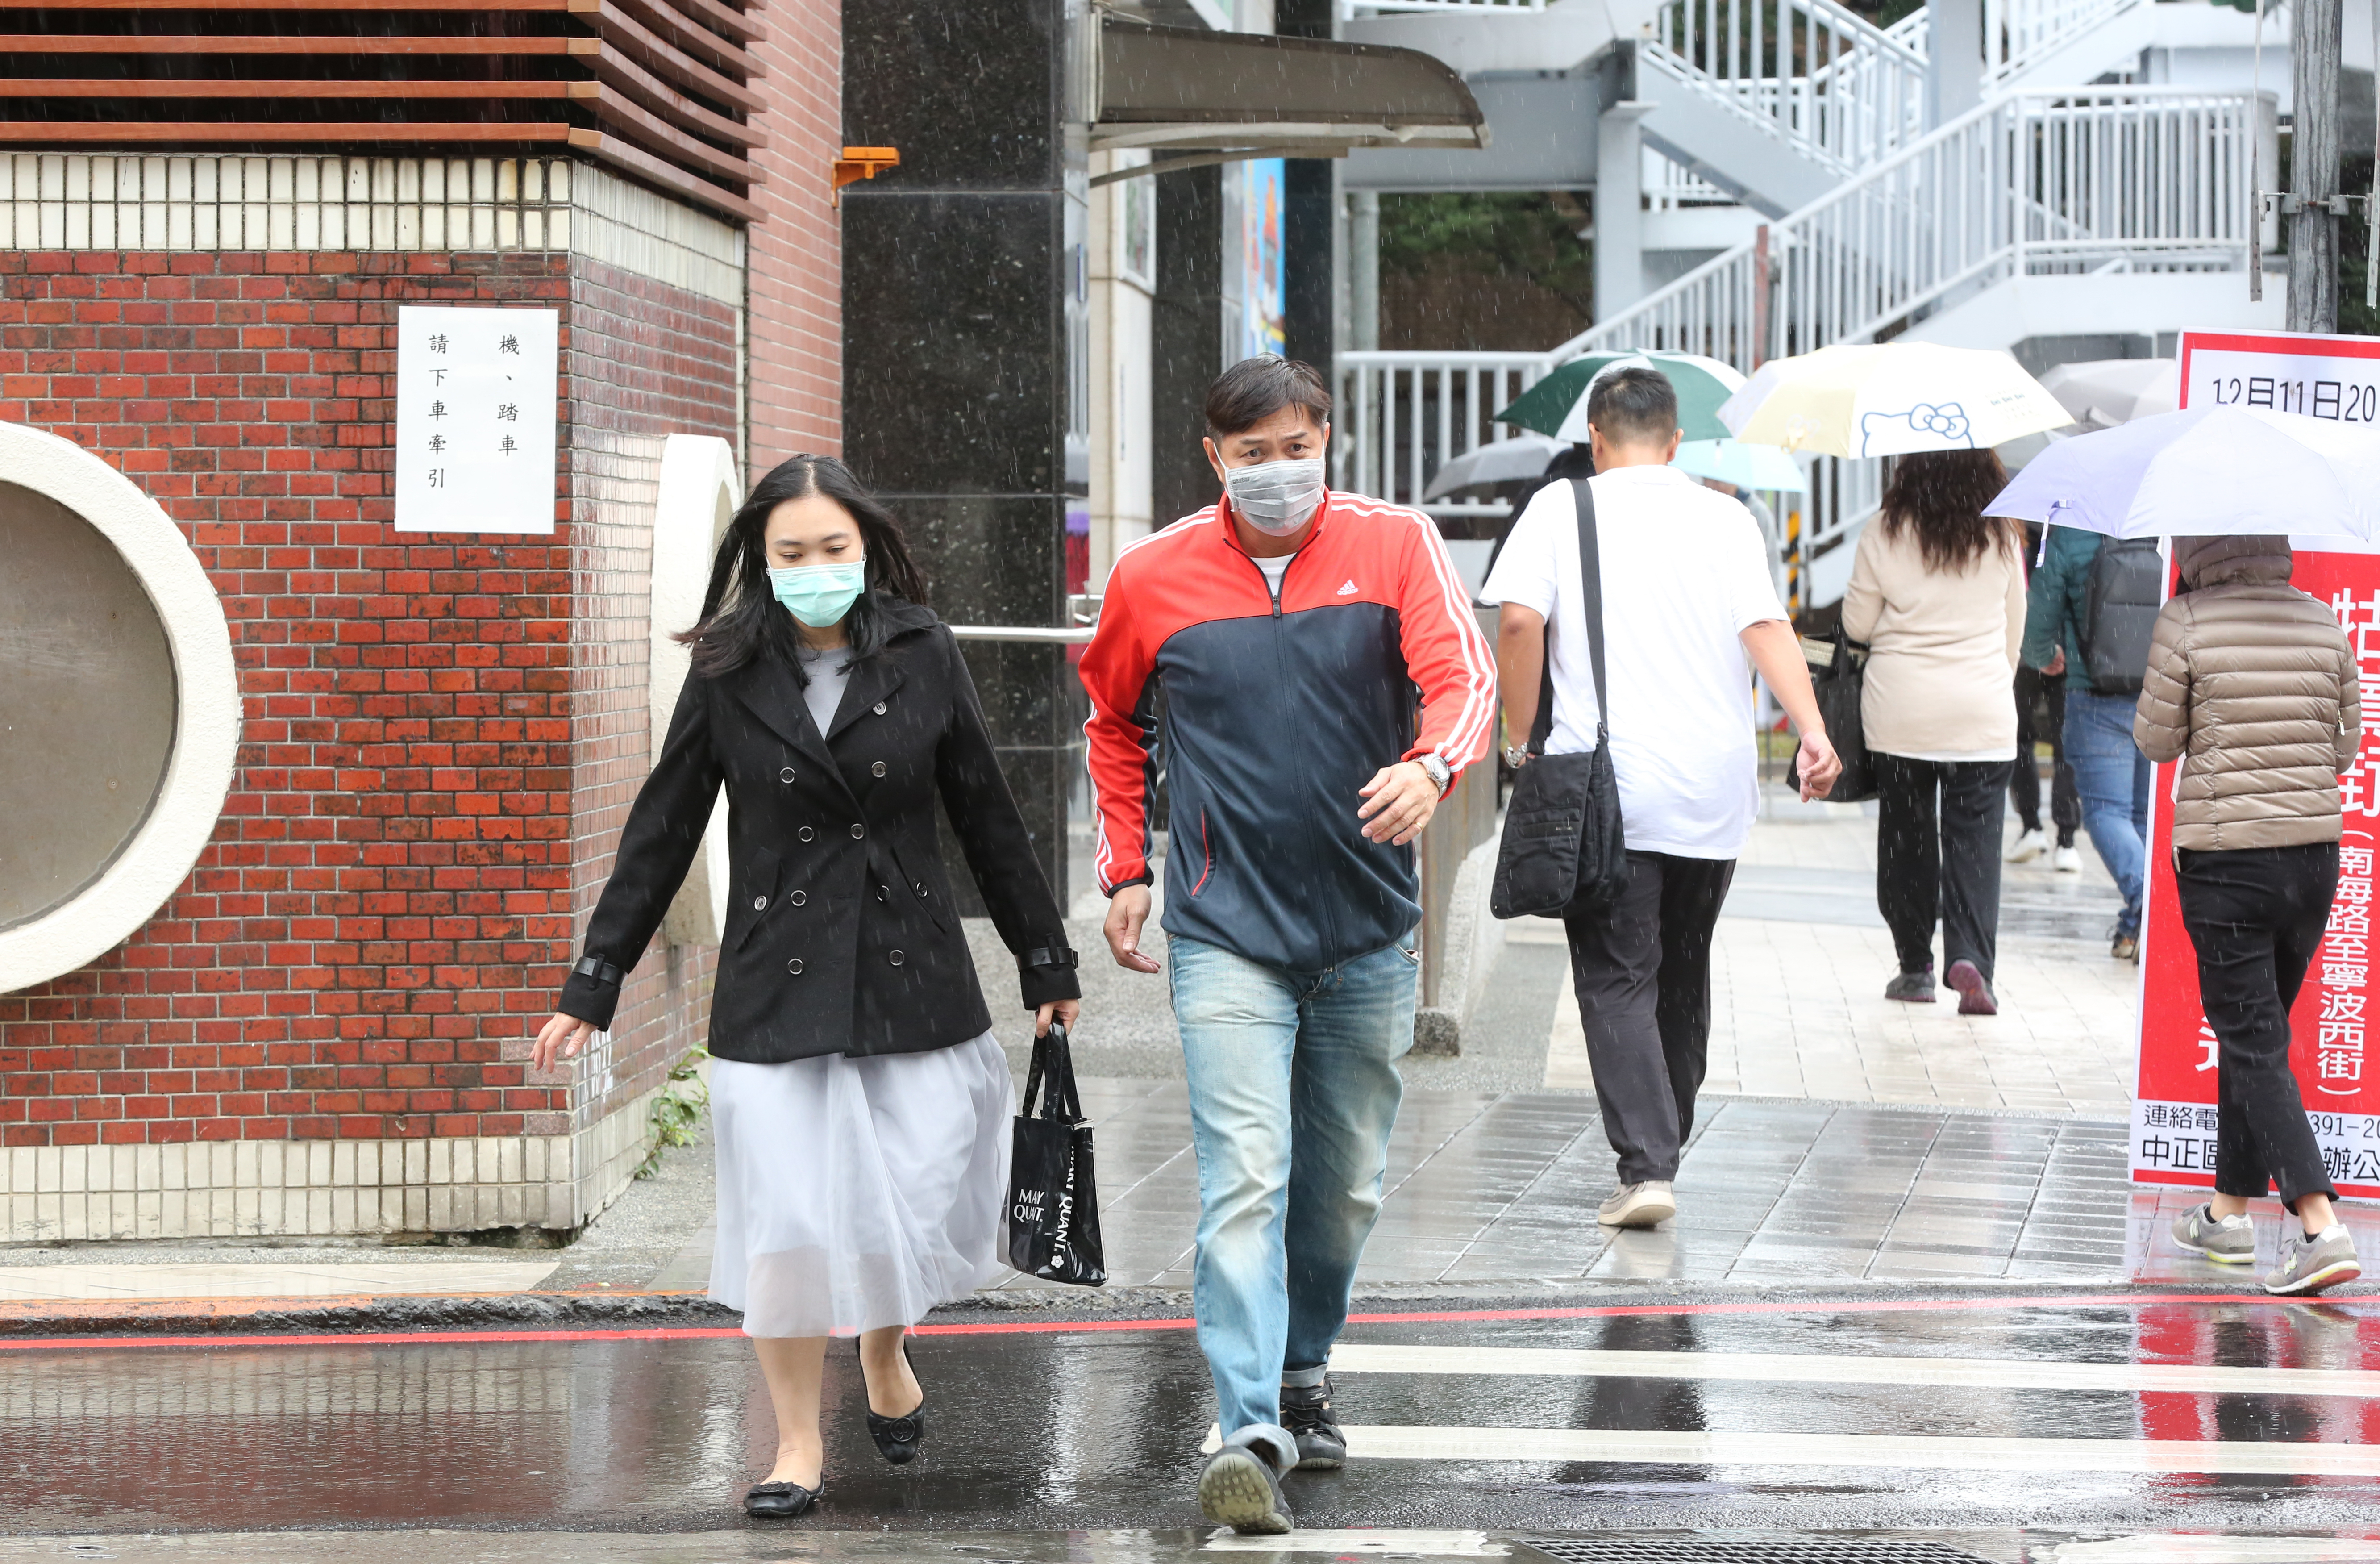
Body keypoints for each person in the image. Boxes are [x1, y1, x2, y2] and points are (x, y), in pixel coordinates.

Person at [531, 455, 1083, 1519]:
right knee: (784, 1221)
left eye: (835, 548)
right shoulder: (730, 667)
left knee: (912, 1194)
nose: (817, 567)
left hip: (909, 977)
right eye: (793, 553)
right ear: (760, 560)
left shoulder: (921, 651)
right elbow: (661, 828)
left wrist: (1043, 960)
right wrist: (593, 981)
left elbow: (986, 812)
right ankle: (793, 1444)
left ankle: (883, 1347)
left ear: (866, 547)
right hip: (774, 989)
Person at [1079, 355, 1496, 1535]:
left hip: (1366, 928)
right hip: (1223, 929)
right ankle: (1249, 1421)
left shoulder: (1395, 545)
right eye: (1250, 452)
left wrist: (1429, 763)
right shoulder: (1152, 576)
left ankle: (1306, 1364)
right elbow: (1111, 721)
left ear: (1329, 440)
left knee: (1343, 1185)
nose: (1277, 471)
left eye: (1295, 446)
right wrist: (1124, 868)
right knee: (1245, 1173)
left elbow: (1460, 680)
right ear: (1213, 457)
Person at [1480, 367, 1839, 1234]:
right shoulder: (1724, 515)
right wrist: (1814, 729)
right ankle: (1662, 1139)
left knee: (1614, 973)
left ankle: (1647, 1162)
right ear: (1675, 441)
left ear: (1596, 440)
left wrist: (1518, 734)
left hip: (1604, 789)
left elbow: (1520, 622)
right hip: (1712, 788)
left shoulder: (1561, 509)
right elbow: (1765, 627)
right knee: (1679, 967)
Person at [2141, 535, 2363, 1296]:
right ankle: (2226, 1213)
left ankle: (2318, 1226)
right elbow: (2344, 746)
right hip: (2310, 860)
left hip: (2227, 856)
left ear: (2198, 552)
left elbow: (2154, 738)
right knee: (2255, 1031)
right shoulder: (2321, 620)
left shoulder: (2186, 618)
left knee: (2255, 1040)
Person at [1839, 451, 2027, 1015]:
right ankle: (1971, 960)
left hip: (1902, 712)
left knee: (1908, 839)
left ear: (1910, 466)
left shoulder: (1885, 529)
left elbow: (1856, 625)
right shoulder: (2001, 533)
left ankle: (1915, 966)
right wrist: (1990, 683)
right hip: (1983, 711)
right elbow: (2014, 627)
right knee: (1975, 845)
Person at [2022, 525, 2151, 959]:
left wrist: (2044, 655)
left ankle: (2147, 907)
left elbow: (2036, 622)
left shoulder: (2070, 534)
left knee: (2106, 813)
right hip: (2159, 693)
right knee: (2140, 816)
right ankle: (2135, 926)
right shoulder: (2165, 528)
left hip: (2092, 692)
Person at [2008, 526, 2084, 871]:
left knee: (2020, 739)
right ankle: (2066, 840)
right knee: (2063, 745)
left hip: (2026, 649)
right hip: (2069, 653)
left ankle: (2032, 827)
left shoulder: (2017, 528)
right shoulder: (2079, 530)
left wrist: (2037, 649)